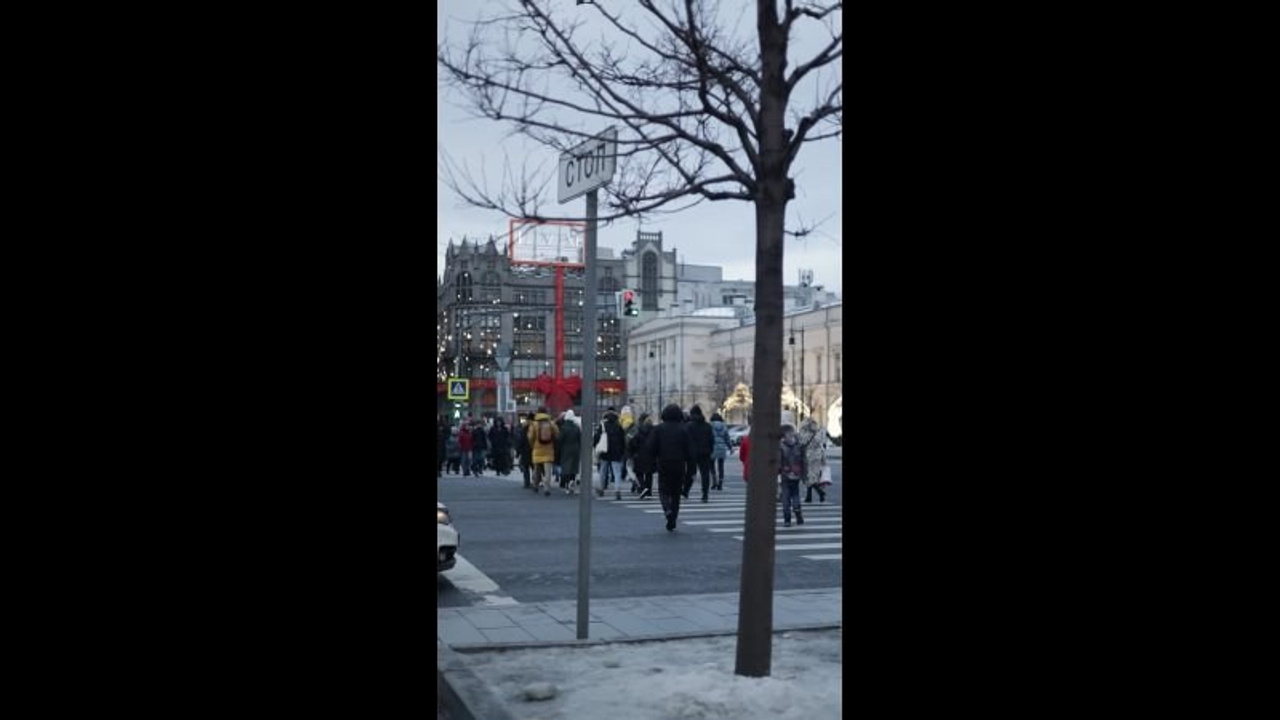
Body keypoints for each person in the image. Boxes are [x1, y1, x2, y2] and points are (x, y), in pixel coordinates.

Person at [647, 403, 694, 531]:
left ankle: (667, 509)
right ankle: (673, 519)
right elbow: (690, 451)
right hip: (679, 464)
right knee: (676, 493)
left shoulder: (658, 429)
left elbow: (650, 447)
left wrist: (653, 461)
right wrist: (691, 468)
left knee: (663, 490)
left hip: (663, 463)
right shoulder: (684, 429)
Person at [592, 407, 627, 500]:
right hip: (617, 452)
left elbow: (596, 438)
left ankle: (601, 488)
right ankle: (617, 490)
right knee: (617, 472)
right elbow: (623, 440)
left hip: (605, 451)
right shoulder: (619, 426)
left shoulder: (603, 425)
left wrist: (595, 447)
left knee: (603, 471)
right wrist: (623, 451)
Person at [684, 405, 714, 503]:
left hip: (692, 453)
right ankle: (705, 494)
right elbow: (711, 440)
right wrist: (710, 450)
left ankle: (686, 491)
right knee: (705, 474)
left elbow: (686, 440)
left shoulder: (689, 426)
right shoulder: (707, 426)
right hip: (705, 453)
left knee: (690, 473)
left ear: (692, 414)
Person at [527, 406, 559, 496]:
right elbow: (557, 433)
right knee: (547, 470)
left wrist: (532, 445)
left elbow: (530, 437)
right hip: (548, 449)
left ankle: (535, 485)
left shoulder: (534, 424)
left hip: (537, 449)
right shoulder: (550, 423)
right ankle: (547, 488)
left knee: (536, 469)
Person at [778, 423, 806, 527]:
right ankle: (798, 514)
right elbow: (803, 460)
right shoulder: (799, 446)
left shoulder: (781, 447)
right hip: (796, 474)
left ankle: (787, 519)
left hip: (786, 474)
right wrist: (803, 473)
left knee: (786, 496)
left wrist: (779, 470)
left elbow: (778, 462)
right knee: (795, 494)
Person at [797, 417, 828, 503]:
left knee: (809, 477)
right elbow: (822, 443)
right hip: (818, 456)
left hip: (808, 456)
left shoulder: (804, 433)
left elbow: (801, 443)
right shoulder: (817, 433)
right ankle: (809, 496)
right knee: (813, 476)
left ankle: (820, 492)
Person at [628, 412, 656, 500]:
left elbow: (632, 443)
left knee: (639, 473)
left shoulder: (639, 431)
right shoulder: (655, 432)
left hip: (639, 455)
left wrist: (632, 453)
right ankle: (649, 491)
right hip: (651, 456)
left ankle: (643, 488)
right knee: (649, 474)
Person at [557, 409, 583, 495]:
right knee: (574, 467)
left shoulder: (563, 428)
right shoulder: (576, 428)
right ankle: (572, 481)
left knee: (566, 467)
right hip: (575, 449)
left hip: (566, 449)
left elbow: (559, 440)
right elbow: (580, 440)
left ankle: (567, 484)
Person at [709, 412, 731, 490]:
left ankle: (714, 481)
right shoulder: (724, 426)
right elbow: (727, 438)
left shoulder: (710, 426)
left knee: (711, 465)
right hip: (722, 447)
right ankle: (720, 483)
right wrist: (730, 447)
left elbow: (708, 437)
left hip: (712, 447)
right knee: (721, 466)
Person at [514, 413, 534, 489]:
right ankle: (536, 481)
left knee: (526, 468)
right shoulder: (535, 426)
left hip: (525, 450)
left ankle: (527, 482)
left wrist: (518, 452)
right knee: (534, 467)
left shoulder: (524, 428)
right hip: (534, 450)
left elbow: (521, 441)